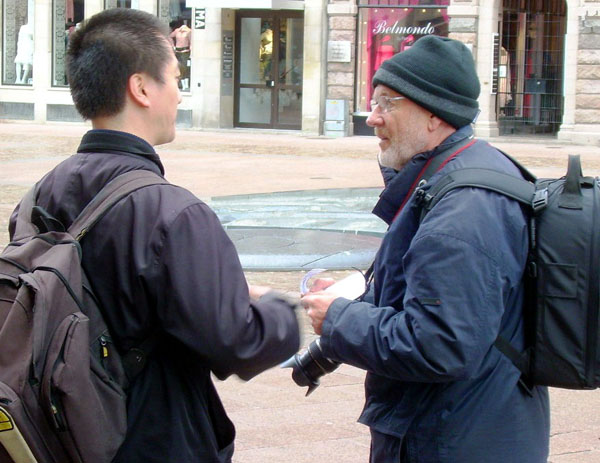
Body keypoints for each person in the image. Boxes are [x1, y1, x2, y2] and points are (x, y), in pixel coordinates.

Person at [8, 8, 299, 463]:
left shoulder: (37, 195)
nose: (179, 95)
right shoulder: (175, 214)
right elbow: (236, 341)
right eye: (176, 79)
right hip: (154, 439)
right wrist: (282, 311)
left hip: (64, 437)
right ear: (141, 88)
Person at [301, 36, 549, 462]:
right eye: (373, 102)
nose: (372, 118)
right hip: (476, 425)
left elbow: (440, 344)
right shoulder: (469, 171)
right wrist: (354, 301)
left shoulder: (462, 209)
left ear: (434, 115)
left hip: (451, 440)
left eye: (387, 103)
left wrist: (339, 318)